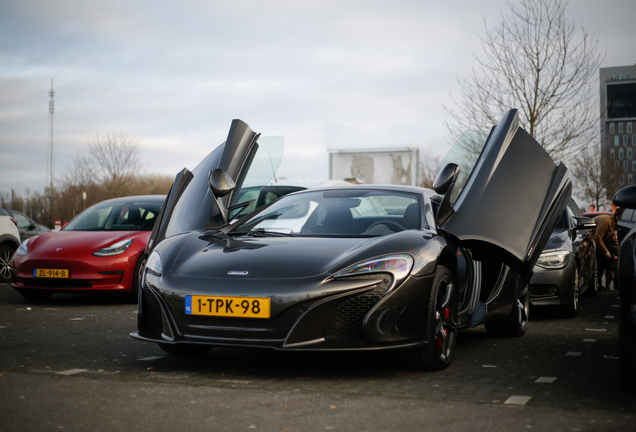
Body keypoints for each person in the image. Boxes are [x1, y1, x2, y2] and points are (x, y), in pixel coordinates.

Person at [593, 209, 622, 290]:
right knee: (598, 265)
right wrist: (606, 252)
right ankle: (597, 284)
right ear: (617, 218)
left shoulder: (613, 224)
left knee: (601, 264)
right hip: (592, 243)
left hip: (598, 245)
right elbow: (598, 238)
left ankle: (598, 284)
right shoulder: (607, 222)